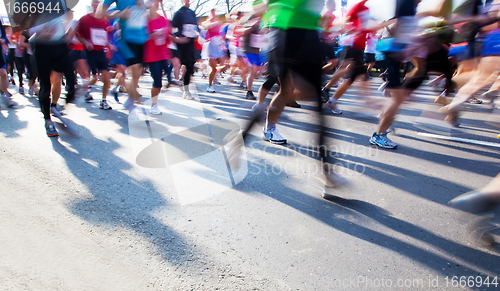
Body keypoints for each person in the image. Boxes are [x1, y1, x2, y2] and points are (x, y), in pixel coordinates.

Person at [98, 0, 150, 110]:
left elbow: (146, 10)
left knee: (137, 74)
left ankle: (129, 97)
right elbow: (100, 12)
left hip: (142, 38)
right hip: (127, 38)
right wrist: (119, 15)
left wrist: (144, 6)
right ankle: (131, 100)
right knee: (133, 70)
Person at [77, 0, 114, 110]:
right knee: (88, 76)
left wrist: (109, 45)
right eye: (95, 2)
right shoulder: (84, 19)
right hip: (88, 52)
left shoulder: (105, 20)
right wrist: (86, 42)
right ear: (92, 5)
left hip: (100, 52)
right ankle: (85, 91)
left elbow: (103, 37)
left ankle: (103, 100)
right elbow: (77, 35)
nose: (97, 5)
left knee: (106, 78)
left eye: (99, 3)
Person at [143, 0, 172, 114]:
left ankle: (170, 81)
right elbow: (140, 37)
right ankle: (153, 105)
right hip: (151, 55)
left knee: (167, 76)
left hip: (163, 53)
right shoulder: (144, 20)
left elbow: (167, 37)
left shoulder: (162, 19)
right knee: (157, 82)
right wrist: (151, 35)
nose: (155, 5)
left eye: (157, 3)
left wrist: (166, 34)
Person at [171, 0, 199, 100]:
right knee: (178, 64)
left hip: (190, 43)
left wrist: (197, 34)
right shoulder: (179, 13)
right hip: (180, 43)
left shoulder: (192, 13)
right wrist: (177, 39)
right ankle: (176, 81)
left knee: (190, 68)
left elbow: (196, 28)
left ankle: (185, 89)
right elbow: (173, 27)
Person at [201, 8, 228, 93]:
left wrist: (222, 41)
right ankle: (210, 85)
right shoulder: (207, 22)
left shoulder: (219, 23)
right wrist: (212, 23)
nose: (214, 13)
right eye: (212, 12)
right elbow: (204, 27)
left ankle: (212, 72)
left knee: (225, 64)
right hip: (210, 46)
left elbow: (222, 34)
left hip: (218, 45)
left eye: (215, 12)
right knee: (213, 68)